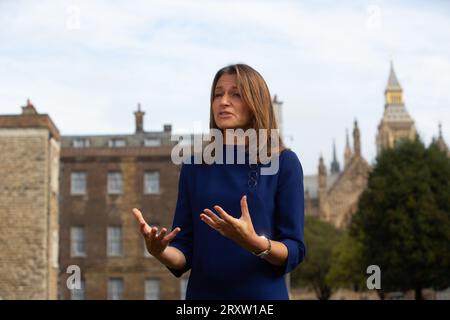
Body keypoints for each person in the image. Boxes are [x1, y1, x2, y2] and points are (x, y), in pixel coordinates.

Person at [132, 63, 305, 300]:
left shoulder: (284, 163)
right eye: (218, 94)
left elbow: (294, 248)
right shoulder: (194, 167)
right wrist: (159, 251)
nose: (223, 101)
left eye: (236, 94)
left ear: (256, 103)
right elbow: (184, 251)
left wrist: (256, 243)